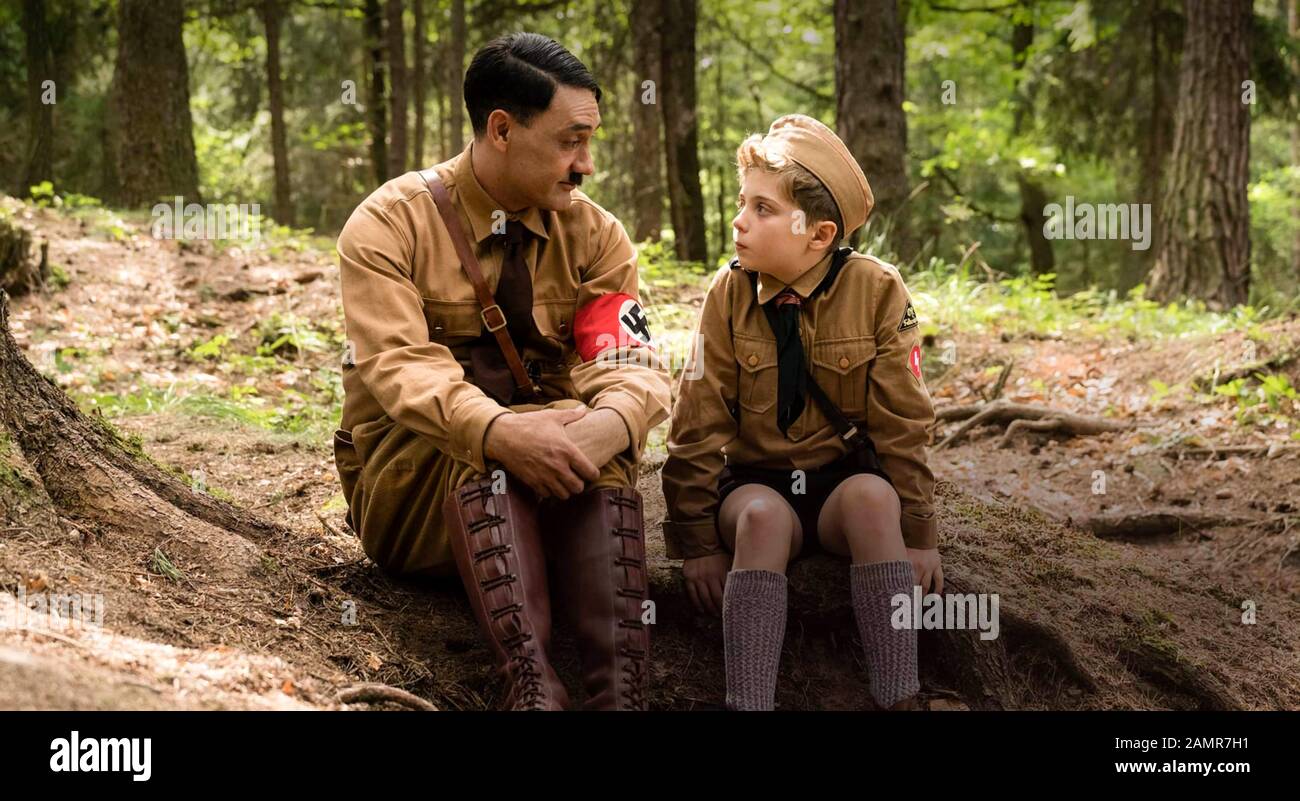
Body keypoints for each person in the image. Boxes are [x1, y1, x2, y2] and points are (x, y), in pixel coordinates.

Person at [333, 32, 671, 710]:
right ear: (501, 129)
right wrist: (500, 432)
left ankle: (620, 692)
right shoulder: (389, 226)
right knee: (488, 450)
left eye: (590, 141)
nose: (587, 165)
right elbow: (403, 370)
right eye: (570, 142)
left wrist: (613, 422)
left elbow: (630, 362)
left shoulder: (597, 236)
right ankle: (531, 685)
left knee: (595, 439)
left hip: (565, 482)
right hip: (416, 492)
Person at [660, 114, 940, 711]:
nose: (739, 220)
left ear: (818, 235)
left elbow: (904, 419)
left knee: (874, 500)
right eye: (742, 202)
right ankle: (749, 702)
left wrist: (920, 535)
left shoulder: (876, 290)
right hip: (757, 486)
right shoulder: (729, 293)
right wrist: (696, 542)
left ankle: (900, 695)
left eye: (762, 209)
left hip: (843, 484)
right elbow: (696, 420)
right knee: (760, 521)